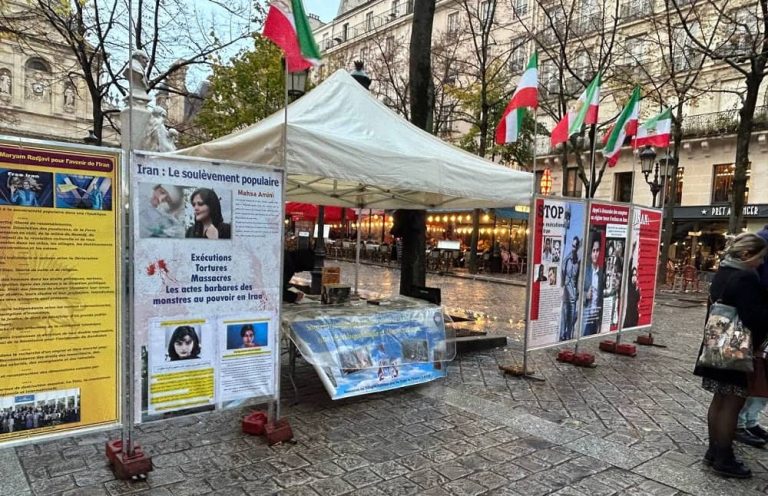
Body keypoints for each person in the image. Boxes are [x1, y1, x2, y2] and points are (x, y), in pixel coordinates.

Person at [694, 232, 768, 478]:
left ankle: (714, 450)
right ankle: (724, 457)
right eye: (759, 258)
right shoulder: (746, 277)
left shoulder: (723, 272)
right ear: (746, 254)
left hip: (716, 347)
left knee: (719, 400)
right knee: (732, 404)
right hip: (735, 350)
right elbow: (755, 318)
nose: (760, 263)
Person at [735, 224, 768, 448]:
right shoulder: (763, 240)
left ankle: (749, 418)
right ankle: (741, 421)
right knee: (758, 371)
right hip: (759, 318)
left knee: (761, 373)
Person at [559, 236, 580, 341]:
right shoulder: (567, 260)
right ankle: (562, 335)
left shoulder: (578, 262)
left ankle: (568, 335)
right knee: (564, 315)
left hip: (573, 294)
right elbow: (562, 273)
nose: (573, 248)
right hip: (566, 293)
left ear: (578, 247)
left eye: (575, 246)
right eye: (572, 246)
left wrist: (577, 292)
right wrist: (562, 287)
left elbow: (578, 278)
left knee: (571, 317)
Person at [582, 233, 603, 336]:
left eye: (597, 250)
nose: (595, 254)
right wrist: (586, 295)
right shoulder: (586, 272)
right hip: (586, 317)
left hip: (596, 317)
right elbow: (578, 292)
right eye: (593, 251)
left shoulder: (601, 274)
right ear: (590, 252)